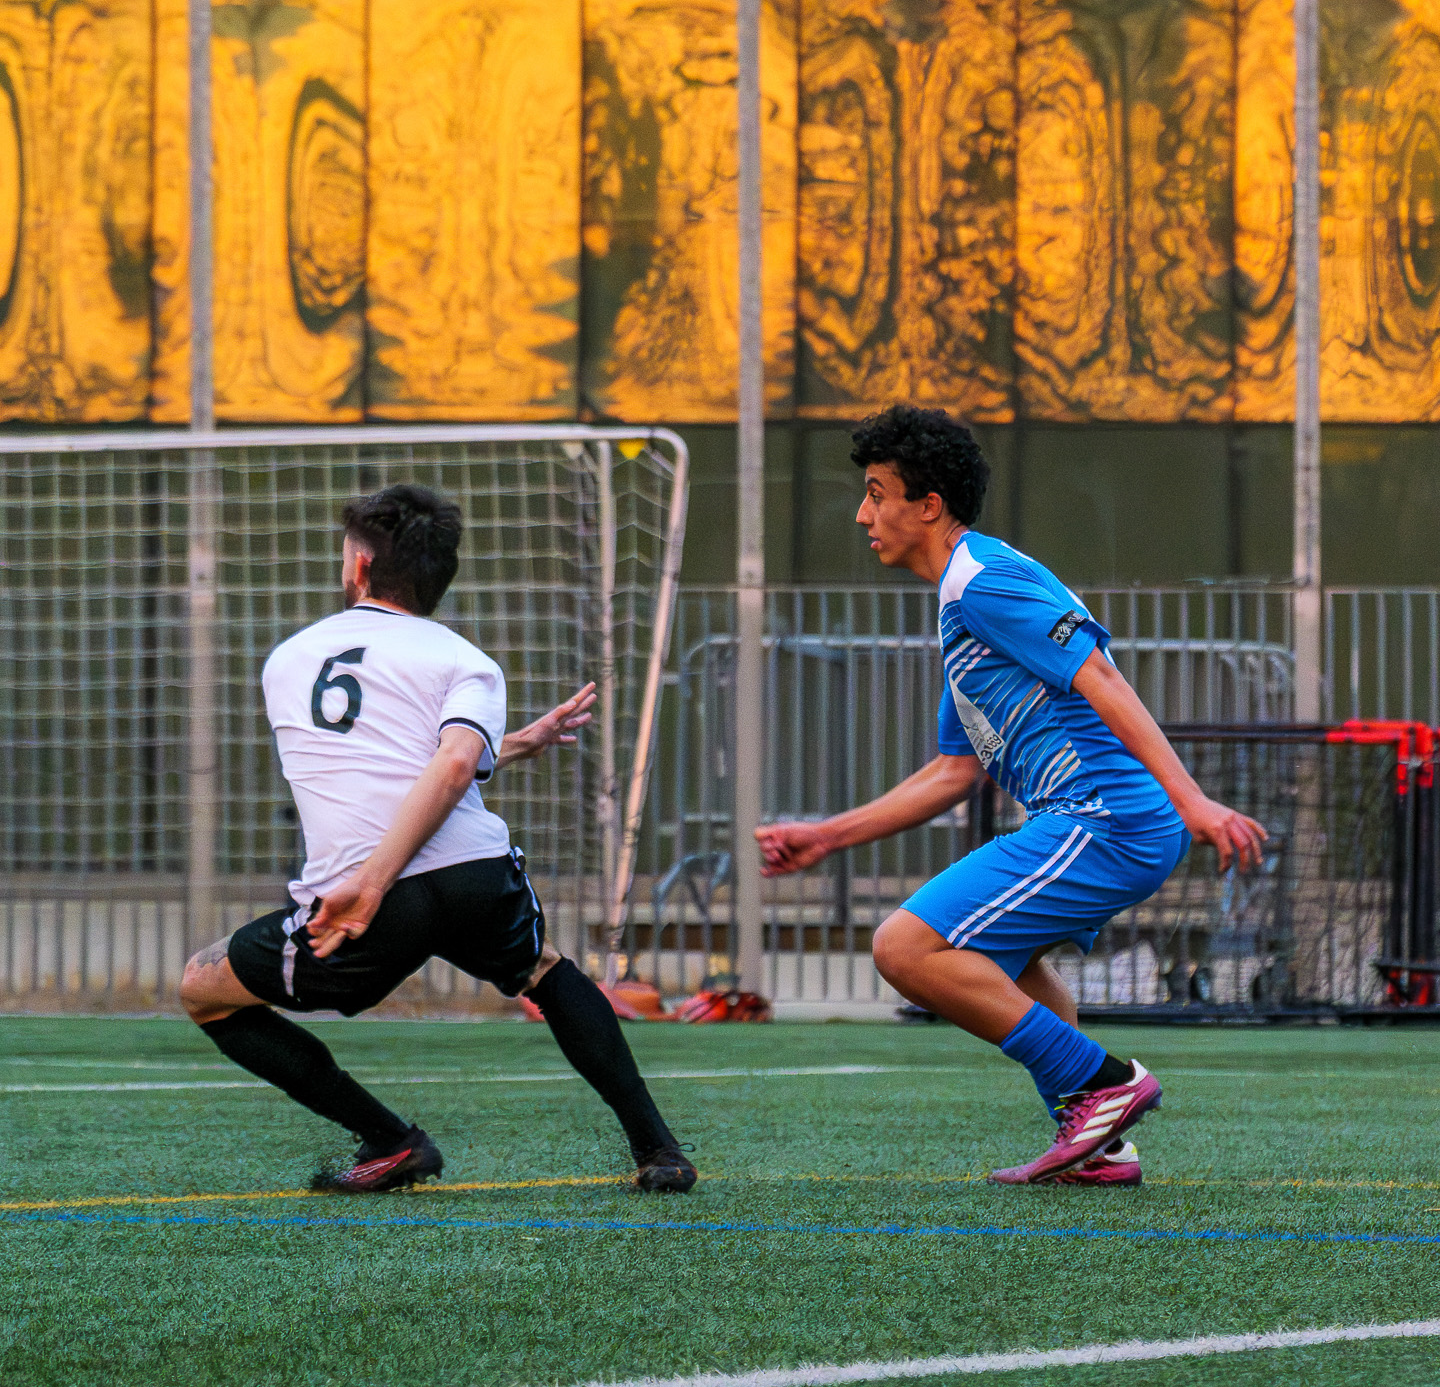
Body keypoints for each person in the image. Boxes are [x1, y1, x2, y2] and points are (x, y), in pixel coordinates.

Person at [755, 407, 1265, 1187]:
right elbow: (953, 771)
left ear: (928, 505)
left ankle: (1104, 1085)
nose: (863, 514)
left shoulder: (983, 583)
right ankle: (1099, 1145)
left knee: (905, 947)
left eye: (877, 493)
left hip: (1106, 819)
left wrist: (1193, 801)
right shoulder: (962, 600)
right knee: (1003, 961)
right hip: (1102, 821)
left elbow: (1100, 676)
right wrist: (828, 836)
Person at [178, 482, 696, 1195]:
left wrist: (370, 885)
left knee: (204, 992)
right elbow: (444, 758)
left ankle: (392, 1141)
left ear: (359, 566)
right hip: (473, 875)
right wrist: (509, 744)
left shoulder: (289, 659)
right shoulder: (465, 659)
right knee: (546, 972)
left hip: (369, 899)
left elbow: (398, 756)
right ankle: (658, 1151)